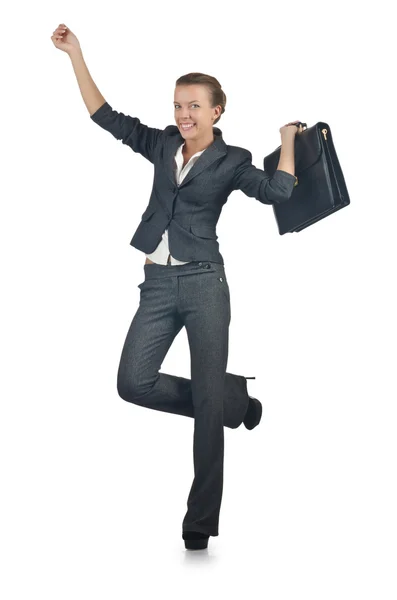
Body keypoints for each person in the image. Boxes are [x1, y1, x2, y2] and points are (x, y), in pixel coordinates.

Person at [51, 23, 303, 551]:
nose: (183, 115)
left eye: (194, 106)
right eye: (177, 105)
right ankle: (231, 402)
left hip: (205, 284)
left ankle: (200, 520)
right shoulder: (164, 143)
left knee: (202, 411)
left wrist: (285, 142)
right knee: (132, 382)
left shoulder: (232, 160)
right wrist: (76, 54)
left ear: (216, 112)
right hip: (158, 285)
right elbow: (105, 117)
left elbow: (277, 190)